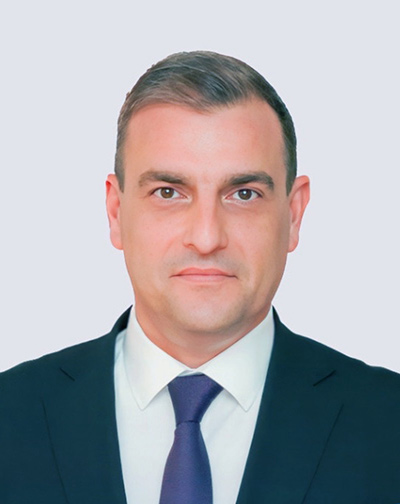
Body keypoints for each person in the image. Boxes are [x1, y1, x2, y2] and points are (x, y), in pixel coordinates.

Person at [0, 51, 399, 504]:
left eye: (243, 194)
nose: (207, 238)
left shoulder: (389, 424)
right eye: (168, 192)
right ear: (115, 212)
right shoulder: (10, 415)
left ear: (293, 214)